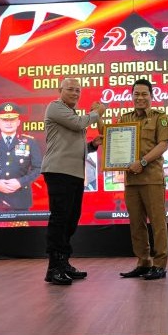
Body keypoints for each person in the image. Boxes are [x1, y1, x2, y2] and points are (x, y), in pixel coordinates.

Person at [41, 78, 105, 285]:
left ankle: (64, 263)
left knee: (71, 219)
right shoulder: (55, 107)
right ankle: (54, 268)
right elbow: (79, 123)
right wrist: (96, 114)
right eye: (70, 89)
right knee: (60, 218)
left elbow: (73, 146)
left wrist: (92, 145)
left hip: (74, 172)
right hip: (58, 170)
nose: (75, 93)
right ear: (60, 90)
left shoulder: (72, 113)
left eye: (78, 90)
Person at [118, 78, 168, 281]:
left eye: (144, 94)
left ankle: (159, 265)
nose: (140, 98)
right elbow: (113, 139)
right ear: (131, 96)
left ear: (151, 96)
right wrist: (98, 118)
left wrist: (142, 162)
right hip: (132, 181)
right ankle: (143, 262)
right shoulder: (125, 118)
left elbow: (162, 144)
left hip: (152, 179)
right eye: (136, 94)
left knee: (158, 223)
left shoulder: (159, 117)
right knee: (136, 224)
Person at [0, 102, 42, 211]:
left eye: (12, 119)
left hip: (20, 199)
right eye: (5, 120)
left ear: (18, 122)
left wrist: (21, 182)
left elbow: (38, 168)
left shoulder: (30, 142)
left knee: (21, 223)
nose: (9, 123)